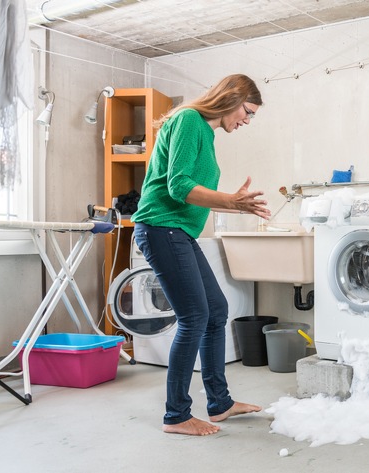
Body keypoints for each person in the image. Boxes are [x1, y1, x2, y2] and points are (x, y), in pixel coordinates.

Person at [131, 74, 271, 436]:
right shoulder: (189, 120)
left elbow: (193, 191)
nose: (247, 120)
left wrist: (238, 207)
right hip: (162, 228)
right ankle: (176, 415)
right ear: (231, 98)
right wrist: (230, 201)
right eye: (248, 112)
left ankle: (219, 403)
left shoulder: (204, 132)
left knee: (216, 311)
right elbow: (178, 186)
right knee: (194, 316)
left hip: (178, 231)